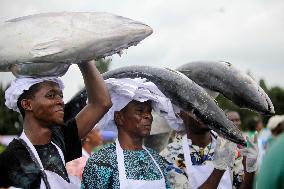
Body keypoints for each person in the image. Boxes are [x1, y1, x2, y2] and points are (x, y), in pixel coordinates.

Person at [0, 61, 112, 189]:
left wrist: (84, 59)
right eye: (51, 95)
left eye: (61, 96)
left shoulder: (62, 138)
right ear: (27, 105)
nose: (60, 101)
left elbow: (102, 103)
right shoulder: (11, 159)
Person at [81, 78, 179, 189]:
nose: (148, 116)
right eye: (140, 111)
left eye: (149, 111)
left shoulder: (155, 158)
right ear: (119, 117)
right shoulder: (101, 162)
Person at [161, 111, 258, 189]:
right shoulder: (171, 155)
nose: (202, 112)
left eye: (205, 106)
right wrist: (218, 170)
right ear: (180, 114)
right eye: (194, 109)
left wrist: (250, 169)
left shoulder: (228, 146)